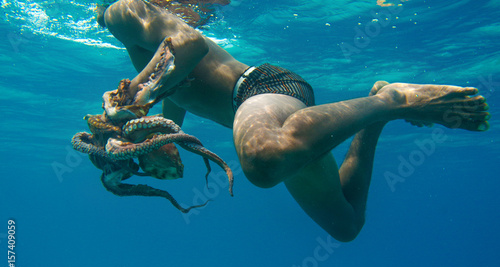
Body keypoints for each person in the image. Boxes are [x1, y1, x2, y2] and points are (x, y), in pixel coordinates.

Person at [96, 0, 490, 242]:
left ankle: (394, 100)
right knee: (345, 225)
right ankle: (374, 116)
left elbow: (191, 45)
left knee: (263, 160)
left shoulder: (119, 11)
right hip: (260, 111)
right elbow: (175, 81)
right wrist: (166, 133)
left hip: (258, 90)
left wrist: (137, 96)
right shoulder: (133, 31)